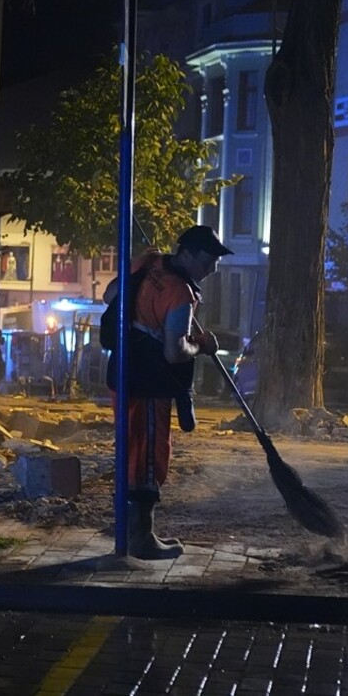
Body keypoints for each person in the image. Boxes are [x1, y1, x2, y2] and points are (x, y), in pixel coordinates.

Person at [104, 224, 231, 560]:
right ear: (186, 254)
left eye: (216, 263)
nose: (211, 269)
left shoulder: (148, 262)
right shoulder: (180, 294)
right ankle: (141, 538)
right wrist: (201, 346)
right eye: (207, 261)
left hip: (121, 373)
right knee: (148, 456)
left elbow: (109, 294)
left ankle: (128, 533)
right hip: (148, 383)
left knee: (131, 450)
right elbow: (174, 352)